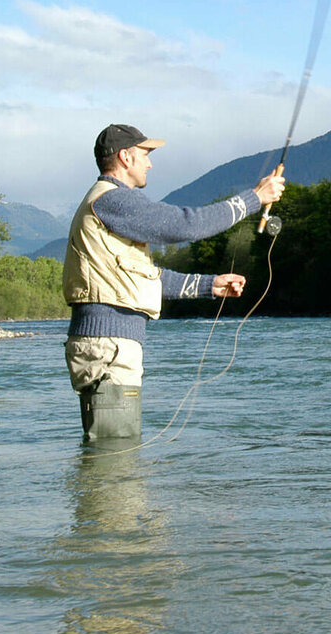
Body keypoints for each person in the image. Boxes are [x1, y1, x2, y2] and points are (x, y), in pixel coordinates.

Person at [63, 123, 285, 440]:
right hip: (108, 347)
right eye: (145, 154)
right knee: (113, 459)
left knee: (113, 462)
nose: (150, 163)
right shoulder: (113, 201)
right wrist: (255, 198)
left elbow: (146, 279)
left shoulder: (110, 205)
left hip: (107, 345)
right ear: (125, 157)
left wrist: (211, 285)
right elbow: (184, 225)